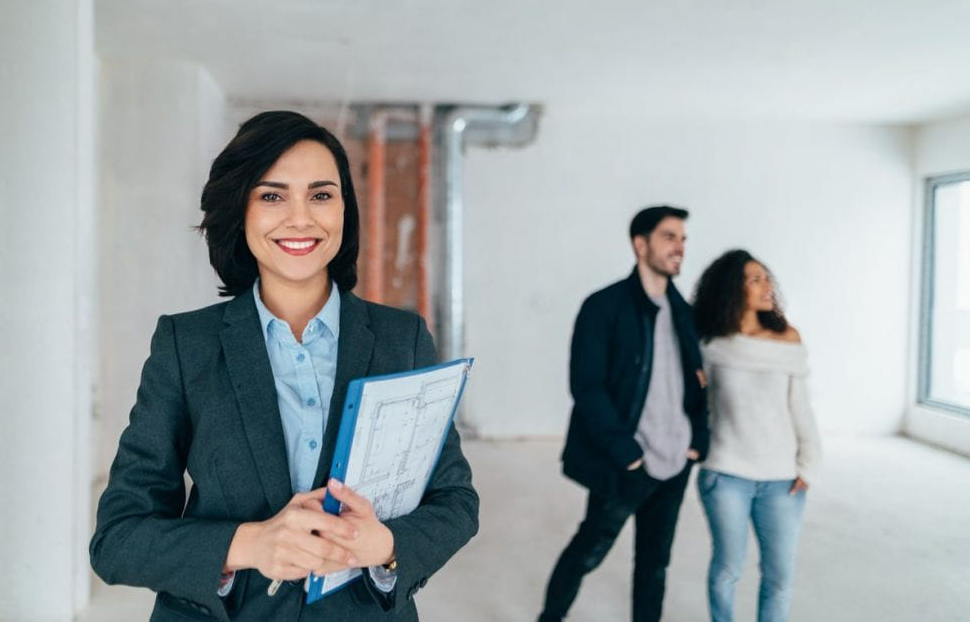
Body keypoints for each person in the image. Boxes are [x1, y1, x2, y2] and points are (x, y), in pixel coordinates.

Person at [90, 111, 478, 621]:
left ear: (345, 209)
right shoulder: (187, 344)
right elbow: (119, 537)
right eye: (272, 195)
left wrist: (385, 544)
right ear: (240, 211)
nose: (301, 218)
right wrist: (249, 545)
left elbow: (454, 501)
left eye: (321, 194)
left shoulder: (400, 339)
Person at [539, 205, 710, 622]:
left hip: (675, 462)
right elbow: (587, 387)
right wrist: (627, 453)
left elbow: (699, 384)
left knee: (654, 565)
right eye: (669, 237)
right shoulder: (603, 307)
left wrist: (697, 442)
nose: (680, 247)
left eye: (683, 239)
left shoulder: (685, 314)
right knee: (588, 551)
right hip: (629, 463)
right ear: (640, 244)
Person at [691, 249, 822, 622]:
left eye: (767, 278)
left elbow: (801, 409)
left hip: (782, 479)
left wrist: (809, 466)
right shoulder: (709, 342)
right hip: (726, 473)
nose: (768, 286)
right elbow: (690, 401)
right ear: (733, 288)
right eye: (755, 279)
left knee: (779, 576)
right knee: (727, 569)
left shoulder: (788, 338)